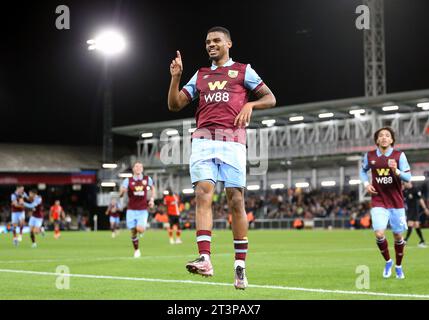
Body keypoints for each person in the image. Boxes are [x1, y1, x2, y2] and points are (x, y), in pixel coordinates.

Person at [168, 26, 276, 289]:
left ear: (229, 43)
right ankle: (205, 258)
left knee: (236, 201)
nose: (211, 45)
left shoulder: (243, 70)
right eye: (207, 42)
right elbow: (174, 104)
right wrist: (176, 77)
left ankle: (240, 266)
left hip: (233, 140)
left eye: (216, 40)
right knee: (203, 193)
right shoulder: (201, 75)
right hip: (203, 139)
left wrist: (250, 104)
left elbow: (271, 98)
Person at [360, 127, 411, 279]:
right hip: (378, 200)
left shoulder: (399, 156)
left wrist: (396, 171)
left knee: (397, 236)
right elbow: (363, 171)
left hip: (396, 202)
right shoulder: (369, 156)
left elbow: (408, 178)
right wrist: (365, 184)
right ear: (377, 140)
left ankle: (399, 266)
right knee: (379, 233)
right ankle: (388, 261)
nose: (384, 137)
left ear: (391, 140)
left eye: (387, 135)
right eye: (381, 135)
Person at [119, 161, 155, 258]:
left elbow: (153, 188)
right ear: (133, 169)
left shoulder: (147, 179)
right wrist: (122, 192)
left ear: (142, 169)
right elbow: (121, 194)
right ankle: (136, 250)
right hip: (131, 209)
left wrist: (152, 200)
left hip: (142, 209)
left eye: (140, 166)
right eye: (136, 166)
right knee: (133, 231)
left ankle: (142, 230)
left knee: (139, 229)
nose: (138, 168)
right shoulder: (128, 180)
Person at [403, 182, 429, 247]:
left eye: (405, 183)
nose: (404, 184)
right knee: (416, 225)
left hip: (415, 210)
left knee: (411, 224)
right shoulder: (405, 191)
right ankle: (422, 241)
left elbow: (420, 199)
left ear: (409, 182)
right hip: (409, 210)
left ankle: (405, 240)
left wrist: (425, 208)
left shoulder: (415, 189)